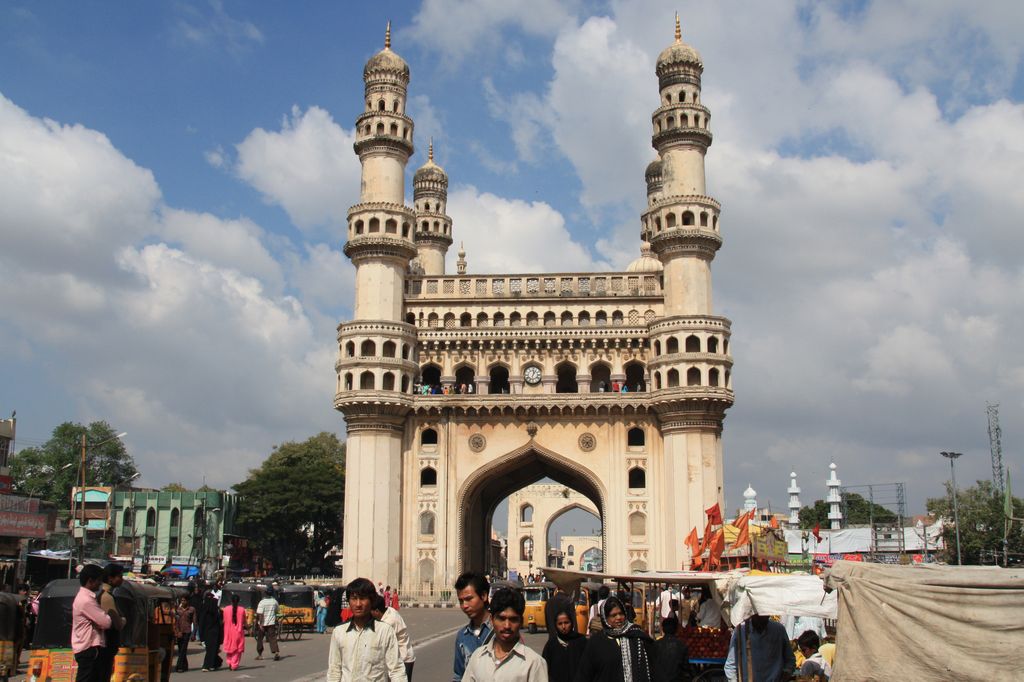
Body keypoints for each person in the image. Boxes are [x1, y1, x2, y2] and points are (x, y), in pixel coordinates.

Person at [326, 578, 406, 682]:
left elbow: (396, 670)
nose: (358, 604)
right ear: (348, 601)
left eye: (363, 598)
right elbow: (334, 671)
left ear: (372, 601)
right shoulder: (339, 632)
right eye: (354, 598)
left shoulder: (385, 631)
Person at [463, 588, 547, 682]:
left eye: (513, 619)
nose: (507, 626)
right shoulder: (478, 657)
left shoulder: (533, 663)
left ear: (521, 622)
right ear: (491, 620)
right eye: (501, 618)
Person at [576, 596, 657, 682]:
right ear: (605, 618)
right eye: (613, 615)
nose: (618, 618)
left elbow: (654, 667)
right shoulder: (596, 642)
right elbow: (584, 673)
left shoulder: (637, 636)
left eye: (621, 613)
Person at [723, 615, 795, 682]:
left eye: (764, 616)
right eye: (758, 616)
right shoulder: (740, 631)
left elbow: (790, 659)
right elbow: (731, 665)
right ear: (752, 615)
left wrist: (786, 672)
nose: (762, 619)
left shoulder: (778, 629)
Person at [71, 564, 112, 682]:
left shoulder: (86, 598)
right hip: (88, 649)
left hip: (88, 648)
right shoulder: (86, 600)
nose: (100, 584)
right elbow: (106, 622)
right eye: (98, 580)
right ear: (90, 581)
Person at [452, 572, 492, 682]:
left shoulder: (500, 630)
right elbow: (458, 675)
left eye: (469, 599)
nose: (464, 605)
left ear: (483, 596)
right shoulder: (462, 637)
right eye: (461, 601)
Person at [372, 594, 416, 680]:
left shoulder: (388, 622)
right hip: (401, 656)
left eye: (371, 611)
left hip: (403, 659)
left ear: (377, 611)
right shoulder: (390, 610)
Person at [541, 604, 585, 681]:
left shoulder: (581, 641)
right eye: (560, 624)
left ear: (572, 623)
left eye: (566, 622)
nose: (563, 626)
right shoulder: (551, 645)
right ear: (555, 625)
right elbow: (544, 670)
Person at [97, 563, 126, 680]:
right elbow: (117, 623)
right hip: (106, 645)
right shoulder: (106, 597)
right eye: (120, 576)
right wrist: (123, 620)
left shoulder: (106, 595)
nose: (121, 579)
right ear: (110, 578)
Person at [653, 617, 692, 682]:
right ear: (676, 629)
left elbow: (652, 665)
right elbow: (686, 667)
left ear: (663, 629)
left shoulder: (656, 644)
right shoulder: (682, 645)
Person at [254, 587, 281, 661]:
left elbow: (260, 614)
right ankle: (276, 653)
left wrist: (261, 624)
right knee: (273, 638)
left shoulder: (262, 602)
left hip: (263, 623)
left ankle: (260, 654)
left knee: (260, 639)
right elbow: (277, 611)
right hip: (271, 623)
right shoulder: (274, 602)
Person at [222, 594, 246, 671]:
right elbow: (244, 622)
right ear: (239, 601)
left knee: (229, 648)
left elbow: (224, 620)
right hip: (238, 633)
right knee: (237, 650)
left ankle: (229, 662)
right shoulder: (242, 610)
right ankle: (234, 665)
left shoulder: (225, 609)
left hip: (228, 632)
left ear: (231, 600)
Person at [200, 591, 223, 671]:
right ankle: (207, 665)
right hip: (213, 633)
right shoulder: (215, 611)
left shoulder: (205, 610)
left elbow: (201, 624)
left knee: (212, 649)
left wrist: (201, 637)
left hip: (210, 633)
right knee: (211, 650)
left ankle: (212, 664)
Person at [173, 595, 195, 673]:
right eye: (182, 600)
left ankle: (179, 666)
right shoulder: (178, 610)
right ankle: (185, 665)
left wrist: (193, 634)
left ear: (187, 601)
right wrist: (177, 632)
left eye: (184, 600)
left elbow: (195, 622)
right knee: (180, 650)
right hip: (179, 632)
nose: (183, 602)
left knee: (183, 649)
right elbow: (175, 622)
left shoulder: (192, 609)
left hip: (187, 631)